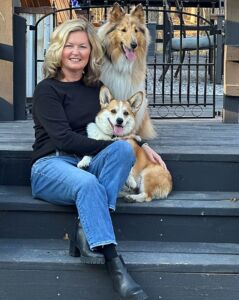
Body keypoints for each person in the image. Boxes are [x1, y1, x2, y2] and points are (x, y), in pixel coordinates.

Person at [31, 18, 167, 300]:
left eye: (83, 46)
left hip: (86, 163)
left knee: (122, 149)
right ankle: (116, 266)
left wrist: (140, 144)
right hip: (51, 166)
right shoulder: (46, 90)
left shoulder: (96, 88)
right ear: (58, 50)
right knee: (90, 183)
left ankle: (85, 226)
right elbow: (65, 140)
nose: (76, 52)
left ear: (91, 51)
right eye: (69, 45)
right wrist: (109, 147)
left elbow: (118, 120)